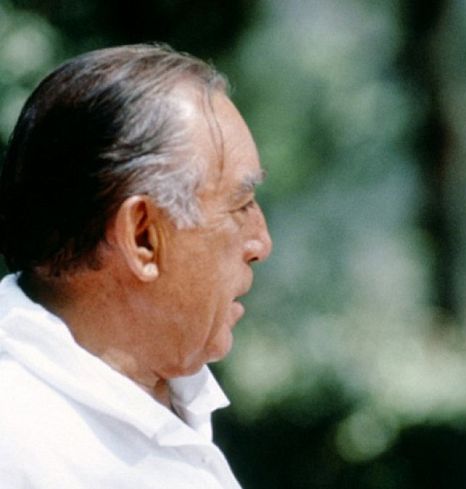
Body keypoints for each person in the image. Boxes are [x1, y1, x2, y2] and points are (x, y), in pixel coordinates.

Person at [0, 44, 272, 488]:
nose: (261, 243)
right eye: (240, 205)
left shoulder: (161, 398)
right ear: (143, 236)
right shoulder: (21, 447)